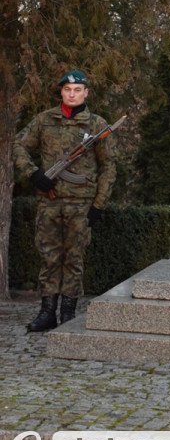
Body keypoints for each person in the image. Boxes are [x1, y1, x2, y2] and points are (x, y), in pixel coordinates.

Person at [13, 70, 117, 332]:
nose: (72, 94)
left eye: (77, 90)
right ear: (61, 91)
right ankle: (47, 313)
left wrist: (99, 205)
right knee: (48, 258)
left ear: (86, 93)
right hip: (49, 202)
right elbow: (19, 146)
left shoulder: (97, 126)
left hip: (81, 205)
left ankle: (68, 314)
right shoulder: (44, 120)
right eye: (67, 89)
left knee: (73, 259)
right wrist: (34, 174)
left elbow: (108, 168)